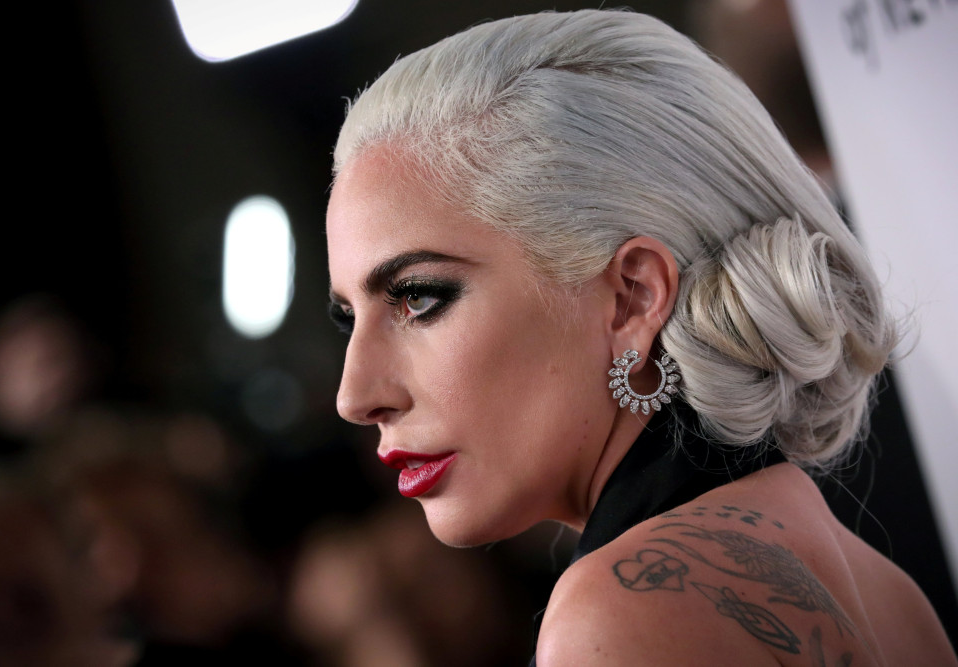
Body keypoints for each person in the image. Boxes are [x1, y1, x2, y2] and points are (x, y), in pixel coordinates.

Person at [324, 10, 956, 666]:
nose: (355, 394)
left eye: (418, 298)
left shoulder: (618, 615)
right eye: (349, 319)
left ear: (633, 296)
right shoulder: (887, 594)